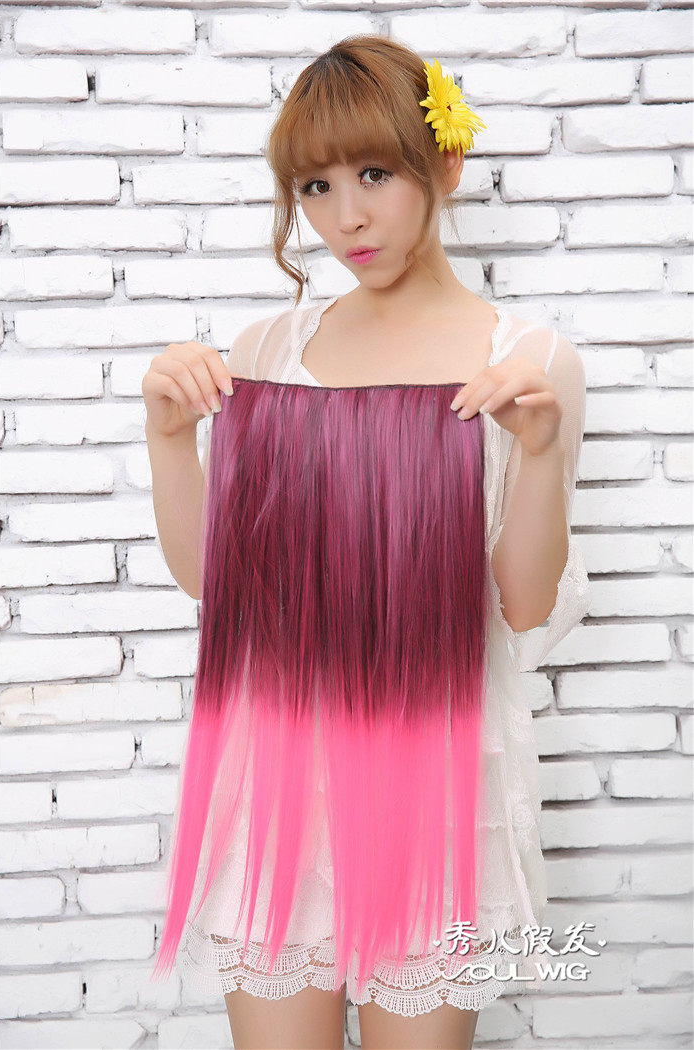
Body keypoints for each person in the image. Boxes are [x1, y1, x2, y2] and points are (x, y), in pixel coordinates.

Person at [142, 34, 591, 1050]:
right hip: (275, 788)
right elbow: (215, 585)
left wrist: (538, 453)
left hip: (432, 784)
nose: (344, 216)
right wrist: (169, 440)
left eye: (375, 174)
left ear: (446, 164)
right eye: (315, 186)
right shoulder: (268, 352)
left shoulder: (528, 360)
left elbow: (524, 606)